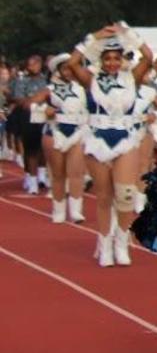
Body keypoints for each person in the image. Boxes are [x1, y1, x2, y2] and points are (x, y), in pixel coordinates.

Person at [65, 25, 155, 267]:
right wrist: (93, 37)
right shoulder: (91, 80)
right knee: (104, 197)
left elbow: (149, 57)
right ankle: (104, 243)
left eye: (117, 58)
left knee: (125, 195)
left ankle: (122, 241)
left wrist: (127, 34)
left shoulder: (131, 78)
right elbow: (73, 63)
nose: (113, 62)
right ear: (101, 60)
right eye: (108, 58)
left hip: (125, 138)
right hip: (97, 140)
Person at [42, 53, 89, 224]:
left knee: (76, 173)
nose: (68, 72)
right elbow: (37, 106)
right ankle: (58, 210)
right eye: (64, 69)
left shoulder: (83, 88)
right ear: (58, 71)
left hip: (78, 132)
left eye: (71, 68)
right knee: (58, 174)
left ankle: (76, 211)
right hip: (55, 132)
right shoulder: (49, 89)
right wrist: (45, 110)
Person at [5, 54, 49, 194]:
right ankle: (31, 179)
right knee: (30, 148)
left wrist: (34, 100)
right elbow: (19, 99)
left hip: (43, 116)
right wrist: (33, 101)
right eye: (31, 64)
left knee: (43, 147)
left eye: (36, 63)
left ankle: (42, 176)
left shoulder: (45, 80)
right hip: (27, 117)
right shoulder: (21, 80)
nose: (34, 67)